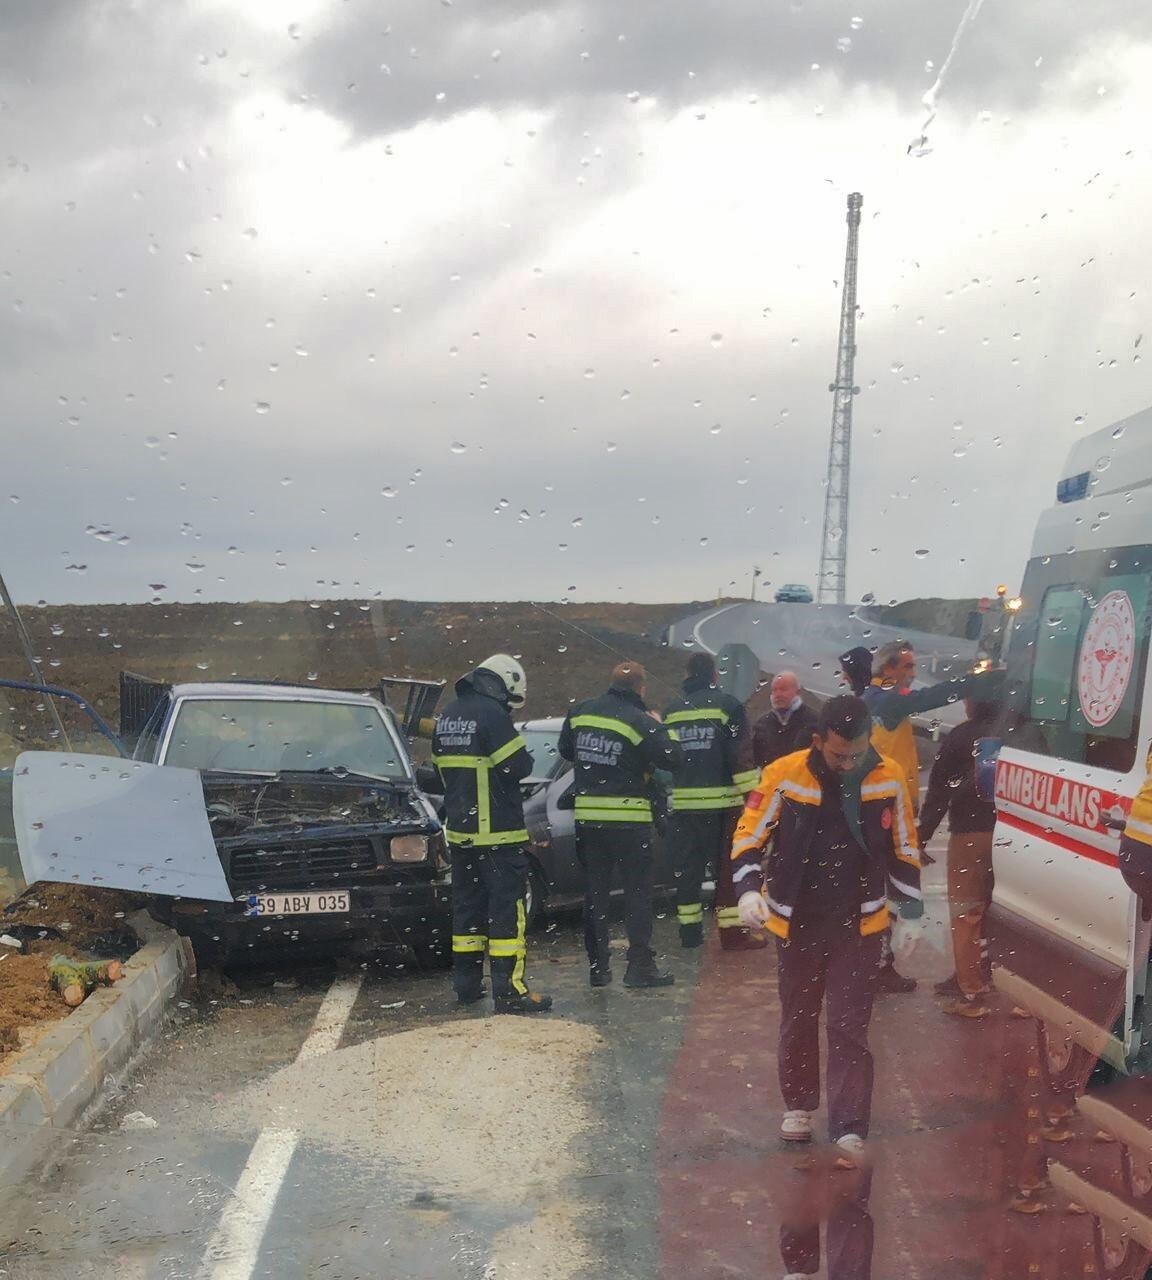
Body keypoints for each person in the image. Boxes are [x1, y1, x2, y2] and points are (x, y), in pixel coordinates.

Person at [733, 695, 923, 1164]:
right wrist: (747, 889)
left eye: (857, 754)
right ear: (818, 741)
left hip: (860, 923)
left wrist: (913, 913)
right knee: (798, 1016)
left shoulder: (888, 777)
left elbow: (904, 847)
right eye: (839, 754)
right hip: (797, 921)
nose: (848, 763)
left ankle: (848, 1125)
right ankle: (799, 1105)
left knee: (848, 1025)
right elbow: (749, 835)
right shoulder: (784, 775)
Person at [862, 640, 1001, 993]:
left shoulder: (873, 700)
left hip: (884, 803)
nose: (912, 673)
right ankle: (878, 964)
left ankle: (879, 962)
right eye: (907, 667)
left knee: (885, 884)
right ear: (888, 670)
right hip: (886, 807)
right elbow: (930, 698)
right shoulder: (887, 700)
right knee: (890, 885)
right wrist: (972, 682)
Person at [431, 654, 552, 1014]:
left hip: (461, 836)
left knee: (467, 910)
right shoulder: (491, 715)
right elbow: (519, 765)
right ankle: (510, 990)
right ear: (504, 684)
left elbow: (442, 772)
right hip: (497, 836)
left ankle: (466, 986)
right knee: (506, 913)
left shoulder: (449, 715)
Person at [559, 660, 682, 988]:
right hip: (629, 824)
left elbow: (566, 750)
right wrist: (659, 726)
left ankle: (599, 969)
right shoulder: (641, 721)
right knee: (637, 895)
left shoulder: (581, 712)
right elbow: (673, 757)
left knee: (595, 894)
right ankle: (639, 968)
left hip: (588, 823)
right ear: (641, 689)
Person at [663, 651, 764, 951]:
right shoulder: (729, 706)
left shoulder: (672, 710)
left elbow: (668, 758)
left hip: (683, 808)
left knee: (688, 872)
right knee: (726, 872)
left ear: (687, 674)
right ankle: (733, 936)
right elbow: (739, 757)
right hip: (723, 808)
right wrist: (754, 800)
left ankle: (690, 934)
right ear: (714, 675)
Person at [917, 698, 1000, 1019]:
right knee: (1009, 914)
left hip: (971, 834)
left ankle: (972, 994)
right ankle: (1023, 997)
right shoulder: (1025, 735)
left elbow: (938, 791)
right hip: (1018, 836)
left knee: (967, 913)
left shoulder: (961, 737)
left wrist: (922, 836)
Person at [751, 671, 819, 769]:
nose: (778, 694)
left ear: (797, 692)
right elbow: (753, 760)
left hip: (801, 782)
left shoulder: (814, 721)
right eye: (774, 690)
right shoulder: (762, 724)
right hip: (771, 782)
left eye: (783, 689)